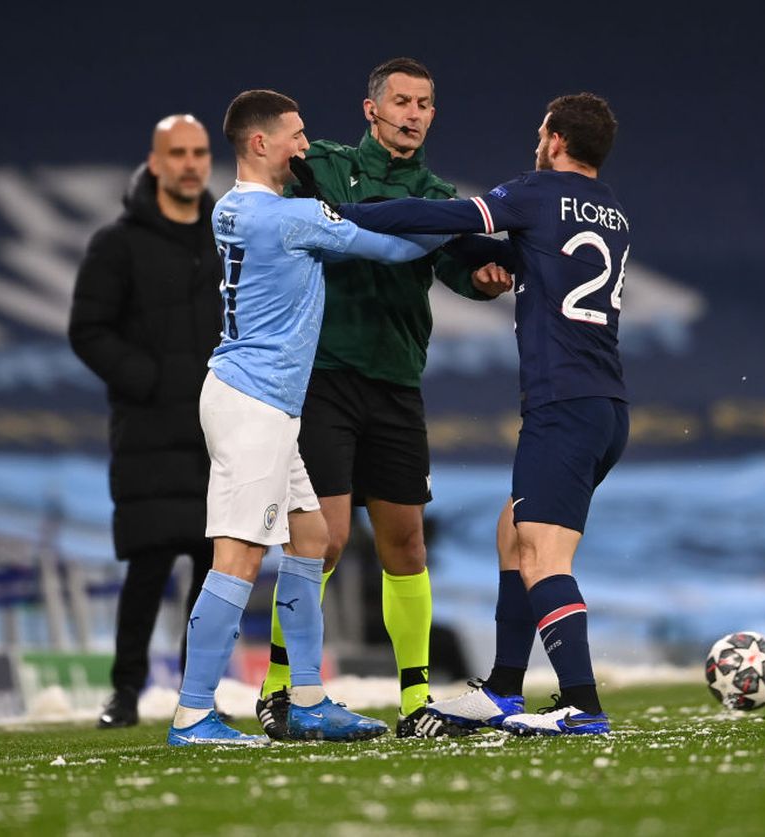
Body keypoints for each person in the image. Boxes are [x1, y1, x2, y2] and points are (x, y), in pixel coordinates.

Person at [167, 89, 453, 746]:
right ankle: (192, 714)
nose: (305, 146)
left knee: (312, 539)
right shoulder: (288, 219)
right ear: (260, 143)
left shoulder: (232, 208)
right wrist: (474, 218)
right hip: (255, 405)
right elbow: (396, 251)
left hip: (258, 398)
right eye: (295, 135)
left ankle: (309, 698)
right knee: (237, 557)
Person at [337, 92, 629, 736]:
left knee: (543, 556)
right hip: (606, 407)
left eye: (538, 132)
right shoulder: (612, 213)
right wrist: (475, 257)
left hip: (563, 405)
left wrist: (347, 214)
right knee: (511, 531)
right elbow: (514, 258)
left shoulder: (534, 191)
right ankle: (502, 688)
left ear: (554, 139)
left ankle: (583, 703)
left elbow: (440, 213)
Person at [256, 57, 513, 740]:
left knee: (407, 543)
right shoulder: (327, 165)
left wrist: (487, 277)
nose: (412, 113)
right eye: (400, 100)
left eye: (424, 103)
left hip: (398, 384)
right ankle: (281, 688)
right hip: (324, 378)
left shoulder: (439, 193)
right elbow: (283, 199)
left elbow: (465, 272)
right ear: (371, 109)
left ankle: (416, 702)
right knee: (326, 537)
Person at [69, 114, 222, 728]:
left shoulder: (228, 234)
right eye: (177, 153)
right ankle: (125, 692)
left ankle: (196, 696)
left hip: (219, 429)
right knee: (150, 565)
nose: (190, 163)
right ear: (155, 163)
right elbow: (88, 331)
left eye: (199, 152)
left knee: (217, 570)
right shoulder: (118, 243)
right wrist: (148, 381)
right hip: (150, 431)